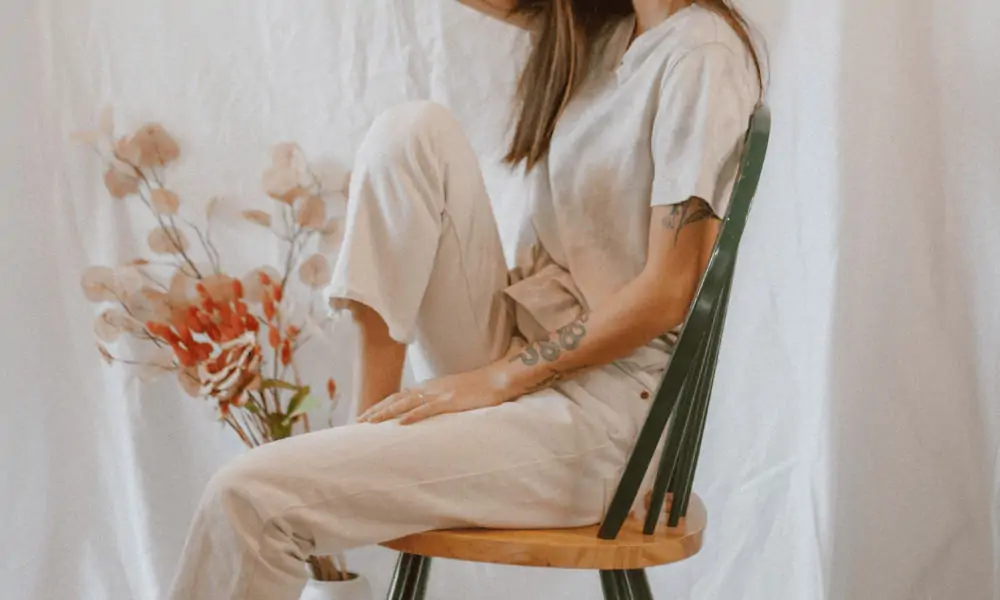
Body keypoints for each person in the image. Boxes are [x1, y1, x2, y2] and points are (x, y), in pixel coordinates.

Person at [167, 1, 763, 598]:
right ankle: (365, 425)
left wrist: (501, 379)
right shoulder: (606, 26)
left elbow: (668, 295)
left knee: (249, 497)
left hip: (606, 419)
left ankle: (354, 467)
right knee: (412, 133)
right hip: (523, 343)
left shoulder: (700, 54)